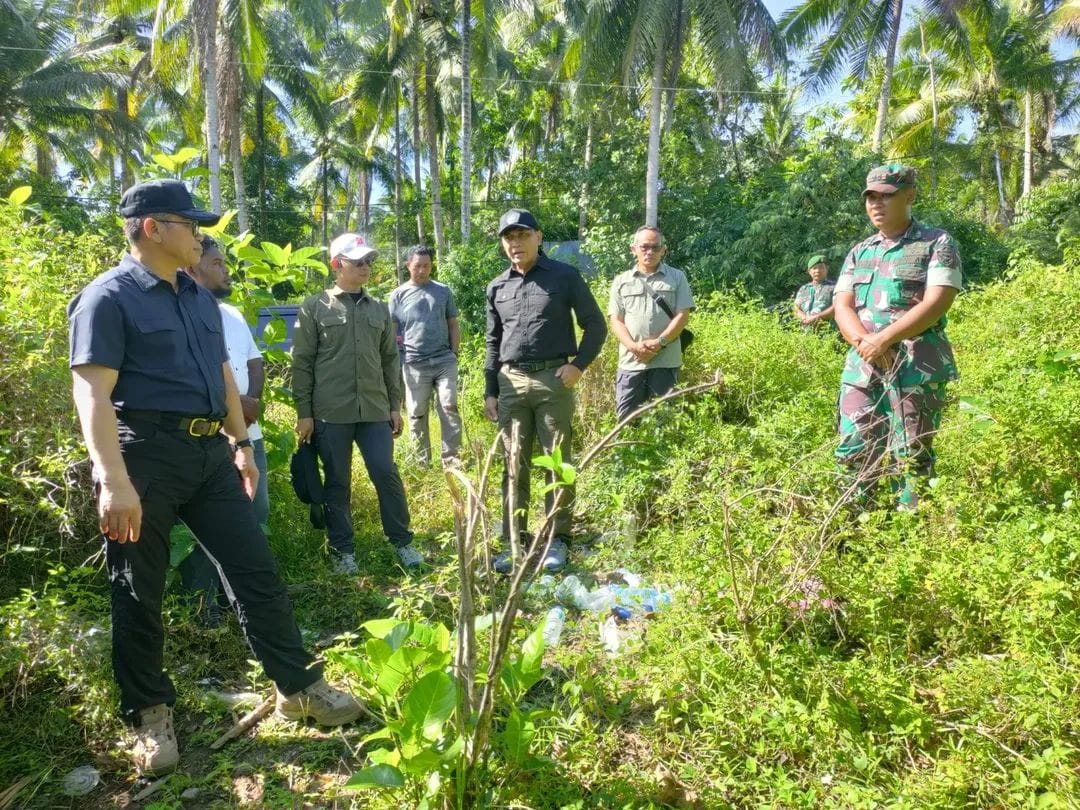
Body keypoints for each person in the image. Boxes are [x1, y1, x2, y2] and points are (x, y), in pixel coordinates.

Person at [67, 180, 361, 776]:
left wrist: (241, 444)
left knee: (256, 570)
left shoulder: (196, 297)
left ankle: (297, 686)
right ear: (153, 229)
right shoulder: (107, 299)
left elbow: (223, 376)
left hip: (210, 457)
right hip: (143, 459)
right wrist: (113, 480)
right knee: (138, 590)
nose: (201, 236)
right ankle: (148, 714)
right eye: (190, 224)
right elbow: (91, 393)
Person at [483, 209, 607, 573]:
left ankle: (557, 539)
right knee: (513, 463)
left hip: (554, 380)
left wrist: (578, 365)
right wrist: (490, 390)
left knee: (556, 461)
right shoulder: (496, 287)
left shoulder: (565, 276)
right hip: (510, 383)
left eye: (523, 235)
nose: (516, 243)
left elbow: (595, 325)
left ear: (538, 237)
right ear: (503, 244)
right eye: (509, 237)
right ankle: (514, 541)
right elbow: (493, 342)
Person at [833, 164, 962, 511]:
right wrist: (867, 344)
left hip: (916, 366)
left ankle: (910, 531)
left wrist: (885, 339)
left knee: (912, 453)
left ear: (910, 196)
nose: (876, 203)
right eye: (871, 197)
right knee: (854, 447)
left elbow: (938, 301)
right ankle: (857, 523)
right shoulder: (860, 251)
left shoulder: (937, 242)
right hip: (863, 367)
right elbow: (842, 306)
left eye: (886, 196)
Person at [291, 232, 420, 575]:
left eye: (369, 261)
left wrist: (395, 405)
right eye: (358, 261)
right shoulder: (315, 307)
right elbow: (302, 363)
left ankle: (403, 542)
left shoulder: (379, 309)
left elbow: (390, 359)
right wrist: (304, 413)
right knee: (337, 481)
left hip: (375, 409)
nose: (366, 267)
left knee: (385, 472)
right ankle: (342, 551)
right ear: (337, 265)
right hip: (330, 412)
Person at [178, 236, 269, 626]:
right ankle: (203, 607)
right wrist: (232, 407)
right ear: (192, 267)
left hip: (248, 436)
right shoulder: (178, 312)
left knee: (255, 511)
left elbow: (254, 363)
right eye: (217, 263)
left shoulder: (231, 314)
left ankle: (238, 600)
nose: (226, 271)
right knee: (205, 522)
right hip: (208, 437)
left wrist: (250, 405)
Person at [608, 226, 695, 421]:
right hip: (631, 362)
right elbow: (616, 320)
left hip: (666, 361)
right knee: (626, 420)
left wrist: (660, 342)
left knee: (663, 420)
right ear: (633, 249)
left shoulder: (677, 277)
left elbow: (683, 315)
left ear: (663, 250)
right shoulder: (621, 281)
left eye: (655, 247)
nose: (650, 252)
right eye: (644, 247)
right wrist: (633, 347)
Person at [388, 245, 463, 467]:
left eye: (426, 266)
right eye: (417, 266)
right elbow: (392, 330)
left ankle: (452, 459)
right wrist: (396, 359)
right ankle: (421, 463)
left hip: (443, 360)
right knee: (417, 412)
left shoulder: (443, 291)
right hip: (413, 362)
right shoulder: (398, 294)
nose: (422, 270)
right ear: (408, 265)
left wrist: (454, 353)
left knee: (449, 406)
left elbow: (453, 324)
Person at [793, 254, 836, 331]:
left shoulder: (834, 287)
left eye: (821, 267)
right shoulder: (803, 289)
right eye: (814, 268)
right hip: (805, 333)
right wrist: (804, 317)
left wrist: (816, 317)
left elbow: (837, 307)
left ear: (827, 269)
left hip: (828, 332)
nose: (817, 271)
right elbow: (796, 308)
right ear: (809, 271)